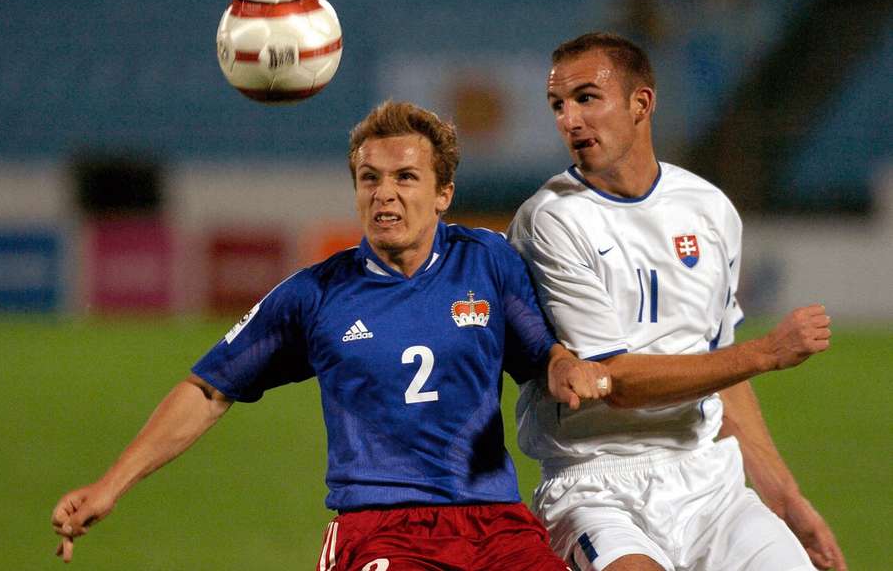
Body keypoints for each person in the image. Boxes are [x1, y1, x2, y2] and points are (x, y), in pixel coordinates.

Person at [51, 101, 619, 570]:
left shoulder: (487, 262)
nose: (383, 193)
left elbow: (542, 354)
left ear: (443, 194)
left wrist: (566, 366)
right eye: (369, 178)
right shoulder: (316, 294)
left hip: (494, 525)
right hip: (380, 532)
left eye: (405, 177)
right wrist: (110, 486)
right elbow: (208, 388)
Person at [507, 32, 847, 571]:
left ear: (641, 103)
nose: (569, 119)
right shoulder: (551, 219)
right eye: (557, 104)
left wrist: (784, 498)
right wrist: (766, 352)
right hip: (595, 485)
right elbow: (613, 381)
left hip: (707, 479)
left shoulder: (710, 209)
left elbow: (721, 368)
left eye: (586, 98)